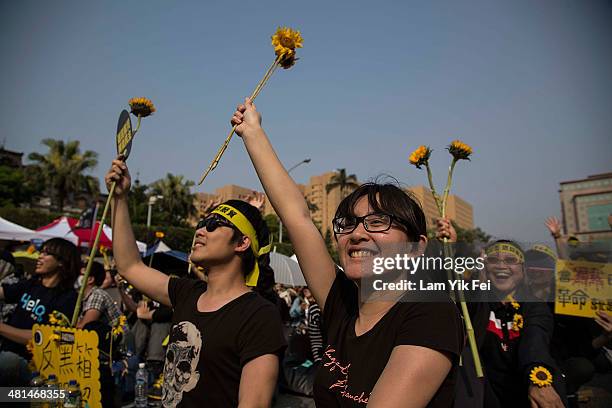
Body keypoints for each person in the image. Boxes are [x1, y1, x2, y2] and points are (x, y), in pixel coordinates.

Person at [232, 98, 464, 407]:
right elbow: (296, 216)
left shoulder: (431, 314)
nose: (356, 234)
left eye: (378, 222)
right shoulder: (341, 304)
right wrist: (253, 133)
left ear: (417, 247)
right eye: (349, 223)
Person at [105, 159, 286, 408]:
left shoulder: (259, 316)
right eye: (202, 224)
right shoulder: (186, 292)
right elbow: (129, 266)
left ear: (242, 243)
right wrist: (120, 199)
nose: (200, 231)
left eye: (213, 225)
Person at [471, 240, 565, 408]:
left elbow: (535, 340)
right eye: (493, 260)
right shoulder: (476, 302)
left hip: (526, 387)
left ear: (523, 270)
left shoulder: (535, 306)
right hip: (487, 390)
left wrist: (538, 379)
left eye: (510, 260)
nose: (501, 266)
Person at [0, 238, 79, 385]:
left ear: (61, 262)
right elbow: (3, 292)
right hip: (5, 348)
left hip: (32, 365)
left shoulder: (68, 298)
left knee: (6, 361)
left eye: (46, 253)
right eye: (40, 252)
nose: (40, 256)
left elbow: (41, 337)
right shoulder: (32, 284)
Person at [77, 260, 122, 329]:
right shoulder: (88, 296)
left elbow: (84, 326)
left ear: (90, 279)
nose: (77, 277)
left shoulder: (97, 295)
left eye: (81, 274)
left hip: (117, 338)